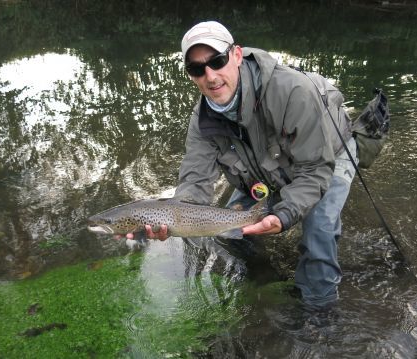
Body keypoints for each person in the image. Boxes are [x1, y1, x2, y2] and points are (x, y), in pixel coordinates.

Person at [127, 21, 357, 308]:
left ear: (236, 55)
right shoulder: (203, 121)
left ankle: (319, 310)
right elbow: (195, 182)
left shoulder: (292, 91)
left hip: (326, 157)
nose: (210, 76)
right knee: (231, 234)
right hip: (266, 169)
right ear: (190, 75)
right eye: (197, 69)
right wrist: (175, 218)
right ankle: (264, 281)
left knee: (318, 235)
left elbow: (315, 170)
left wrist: (283, 215)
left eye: (217, 61)